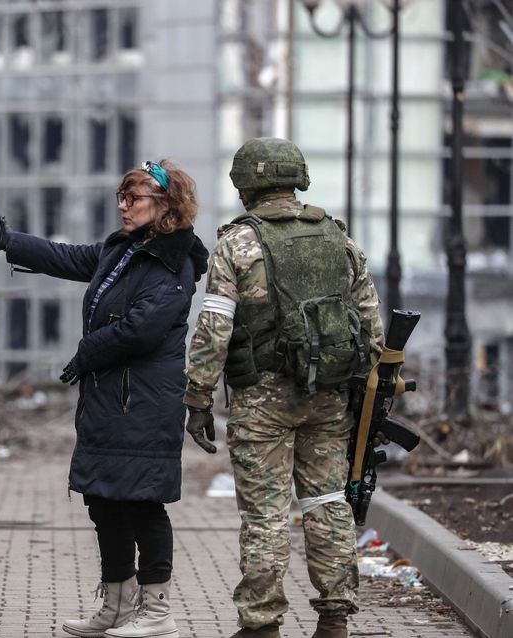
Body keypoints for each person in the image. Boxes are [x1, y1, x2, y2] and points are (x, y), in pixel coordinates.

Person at [0, 160, 209, 638]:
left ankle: (158, 613)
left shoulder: (173, 261)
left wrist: (85, 352)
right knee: (103, 499)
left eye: (133, 198)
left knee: (143, 501)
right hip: (108, 399)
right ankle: (117, 606)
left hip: (143, 401)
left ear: (164, 205)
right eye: (120, 197)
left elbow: (142, 329)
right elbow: (70, 257)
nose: (123, 206)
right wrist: (13, 242)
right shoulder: (122, 249)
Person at [183, 137, 384, 638]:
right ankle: (335, 618)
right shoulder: (338, 238)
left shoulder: (236, 244)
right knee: (327, 502)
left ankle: (262, 625)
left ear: (245, 182)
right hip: (329, 397)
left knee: (266, 514)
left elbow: (214, 330)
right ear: (298, 177)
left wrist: (198, 398)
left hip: (261, 400)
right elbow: (372, 330)